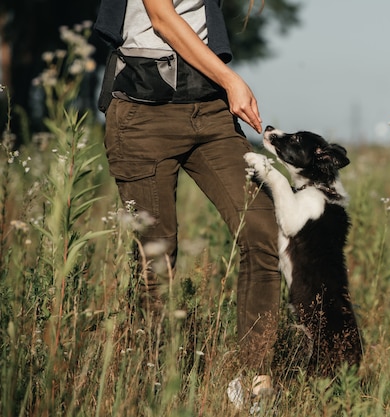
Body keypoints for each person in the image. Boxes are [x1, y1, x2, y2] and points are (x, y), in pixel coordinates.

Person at [93, 0, 281, 394]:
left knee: (265, 229)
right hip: (143, 112)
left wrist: (222, 84)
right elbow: (162, 17)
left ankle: (254, 383)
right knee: (157, 262)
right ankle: (156, 384)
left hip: (210, 109)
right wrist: (232, 80)